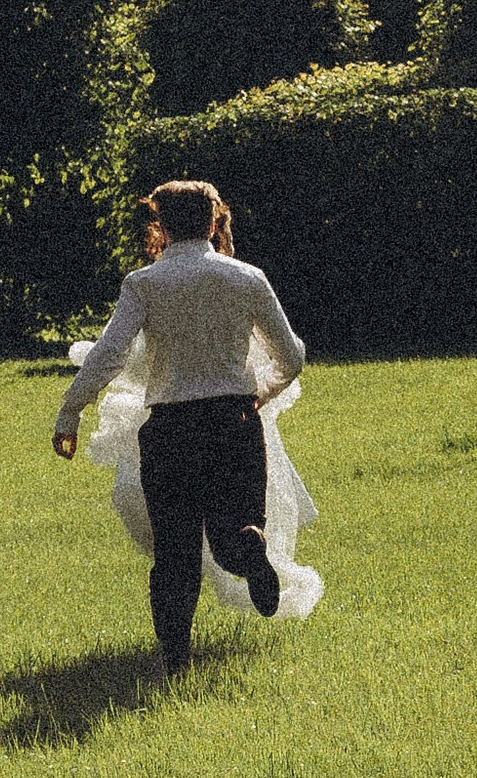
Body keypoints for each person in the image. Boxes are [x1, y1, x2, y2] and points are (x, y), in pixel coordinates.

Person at [52, 181, 321, 671]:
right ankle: (248, 547)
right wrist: (260, 393)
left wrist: (71, 412)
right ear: (214, 221)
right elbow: (291, 355)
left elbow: (109, 355)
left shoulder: (144, 284)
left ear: (160, 224)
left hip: (171, 430)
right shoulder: (247, 278)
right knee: (231, 531)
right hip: (234, 424)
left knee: (175, 553)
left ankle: (176, 658)